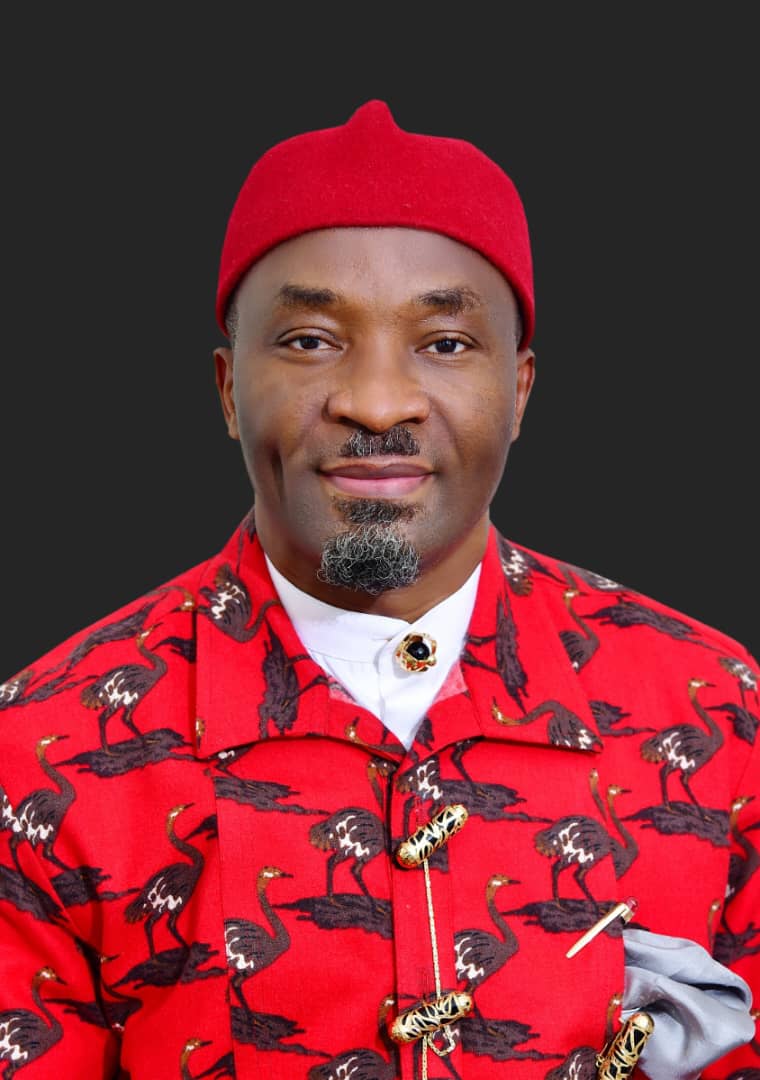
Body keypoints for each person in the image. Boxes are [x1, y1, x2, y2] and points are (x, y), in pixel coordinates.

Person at [0, 99, 757, 1080]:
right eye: (311, 340)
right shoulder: (36, 753)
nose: (375, 402)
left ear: (520, 389)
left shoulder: (720, 712)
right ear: (227, 389)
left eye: (444, 343)